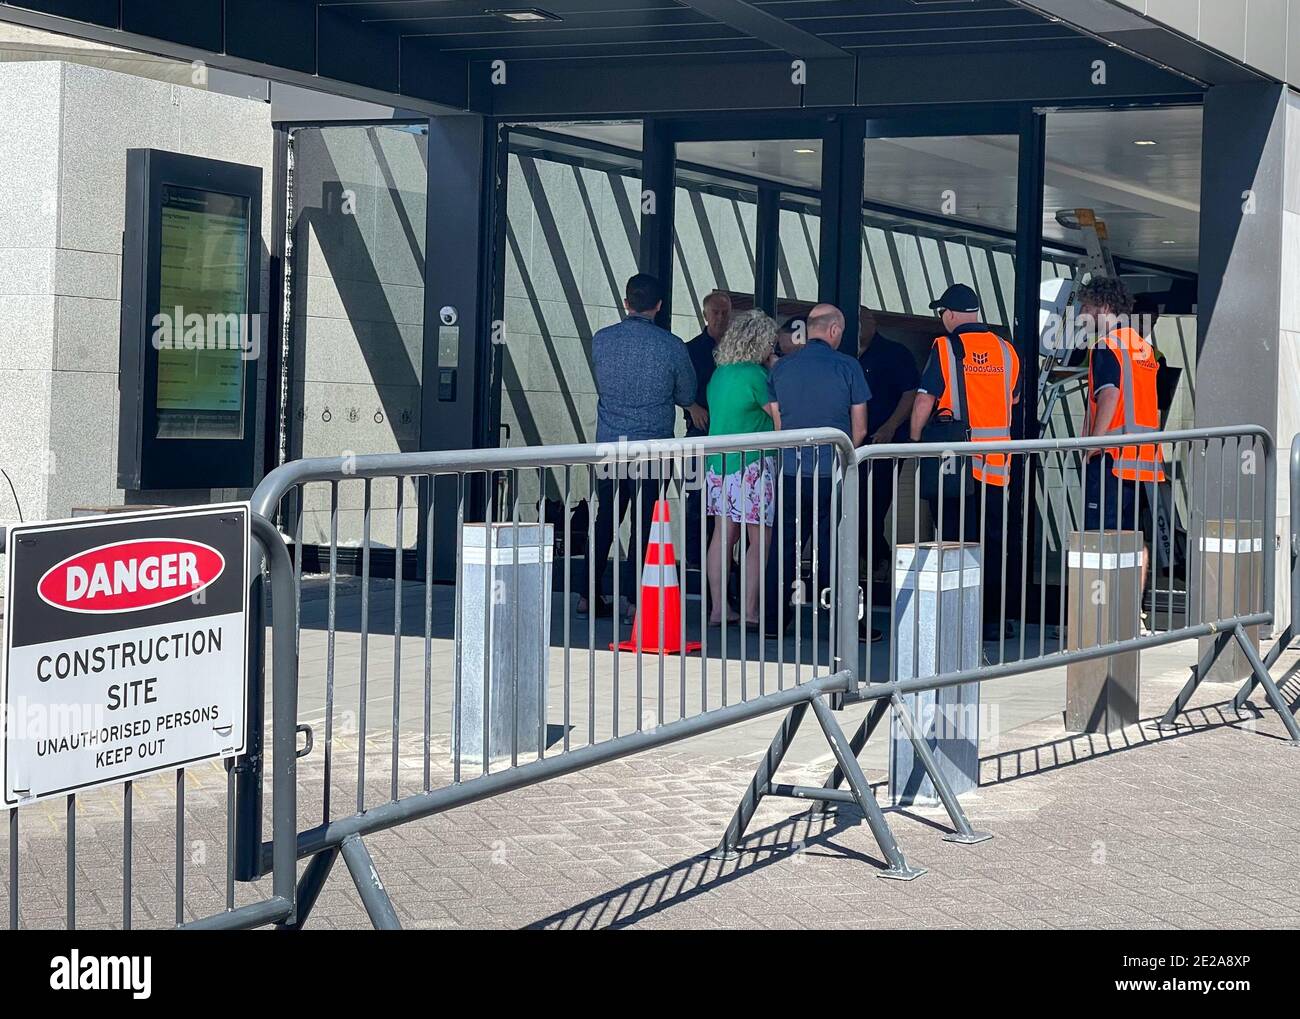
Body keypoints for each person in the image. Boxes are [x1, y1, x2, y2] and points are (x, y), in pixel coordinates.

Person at [580, 273, 701, 618]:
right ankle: (635, 599)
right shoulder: (672, 346)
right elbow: (686, 394)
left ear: (626, 302)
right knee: (646, 520)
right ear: (659, 306)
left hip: (610, 444)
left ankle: (588, 594)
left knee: (606, 516)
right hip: (653, 444)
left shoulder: (602, 340)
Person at [910, 283, 1021, 643]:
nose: (942, 319)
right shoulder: (1007, 350)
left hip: (954, 463)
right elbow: (1014, 399)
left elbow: (926, 398)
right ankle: (993, 620)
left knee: (956, 542)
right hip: (996, 464)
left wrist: (915, 441)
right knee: (991, 542)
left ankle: (962, 617)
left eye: (942, 313)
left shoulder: (944, 347)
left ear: (953, 314)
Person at [762, 304, 870, 635]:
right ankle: (841, 624)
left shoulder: (782, 368)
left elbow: (779, 423)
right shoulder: (848, 366)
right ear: (835, 330)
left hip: (792, 470)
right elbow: (861, 428)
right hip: (833, 472)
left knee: (785, 546)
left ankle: (773, 621)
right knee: (835, 546)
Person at [1079, 276, 1164, 593]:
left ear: (1102, 307)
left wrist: (1091, 445)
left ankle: (1099, 616)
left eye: (1085, 307)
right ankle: (1129, 610)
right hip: (1140, 459)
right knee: (1131, 537)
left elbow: (1110, 395)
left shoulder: (1107, 346)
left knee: (1100, 536)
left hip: (1110, 457)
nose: (1081, 315)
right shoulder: (1143, 347)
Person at [703, 310, 778, 625]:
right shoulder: (756, 376)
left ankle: (719, 609)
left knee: (723, 535)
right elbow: (779, 418)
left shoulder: (719, 374)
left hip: (717, 463)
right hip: (752, 465)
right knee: (758, 538)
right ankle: (749, 610)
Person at [857, 309, 919, 580]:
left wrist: (891, 426)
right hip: (851, 444)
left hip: (885, 444)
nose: (858, 327)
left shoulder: (895, 353)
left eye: (863, 322)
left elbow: (911, 393)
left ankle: (877, 563)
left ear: (873, 323)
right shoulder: (845, 354)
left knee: (875, 504)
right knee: (855, 507)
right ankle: (873, 561)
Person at [682, 292, 731, 566]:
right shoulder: (690, 349)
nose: (721, 318)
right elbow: (676, 386)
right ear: (705, 315)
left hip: (730, 435)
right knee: (696, 498)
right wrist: (691, 407)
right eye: (716, 312)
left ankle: (723, 559)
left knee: (727, 500)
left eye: (725, 312)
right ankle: (694, 559)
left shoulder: (737, 351)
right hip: (699, 433)